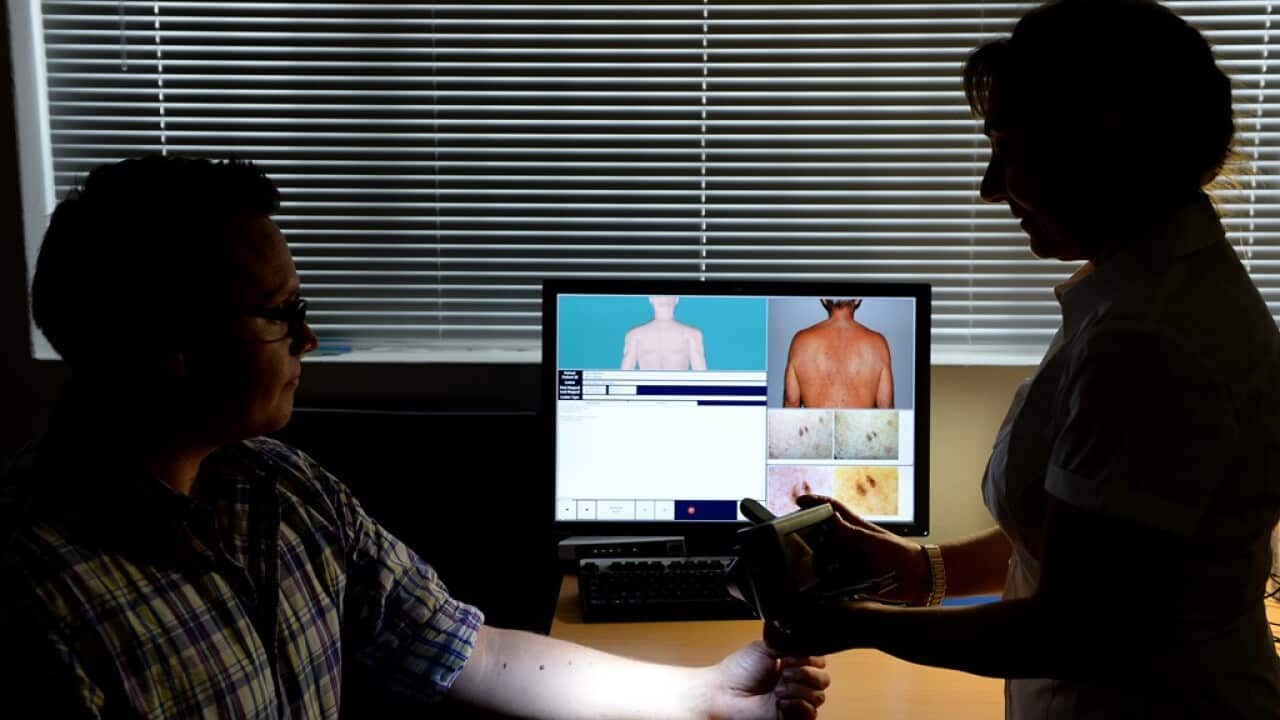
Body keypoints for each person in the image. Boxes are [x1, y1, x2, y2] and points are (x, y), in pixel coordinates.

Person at [0, 156, 830, 719]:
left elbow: (475, 654)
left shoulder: (281, 491)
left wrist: (705, 695)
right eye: (280, 314)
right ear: (170, 346)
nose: (307, 339)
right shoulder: (37, 596)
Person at [766, 1, 1280, 718]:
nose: (989, 186)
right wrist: (917, 568)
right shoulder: (1136, 296)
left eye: (1008, 149)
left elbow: (1071, 628)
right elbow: (1073, 545)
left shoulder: (1149, 342)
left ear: (1101, 145)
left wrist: (855, 624)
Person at [782, 299, 893, 409]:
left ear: (824, 299)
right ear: (857, 299)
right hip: (860, 422)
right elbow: (886, 408)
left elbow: (791, 403)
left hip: (819, 422)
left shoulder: (801, 342)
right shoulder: (877, 343)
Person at [621, 295, 708, 371]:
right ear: (651, 298)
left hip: (677, 386)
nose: (664, 298)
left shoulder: (691, 335)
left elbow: (702, 376)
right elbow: (624, 376)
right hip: (647, 386)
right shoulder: (635, 335)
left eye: (668, 294)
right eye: (659, 294)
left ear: (677, 298)